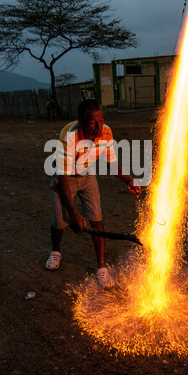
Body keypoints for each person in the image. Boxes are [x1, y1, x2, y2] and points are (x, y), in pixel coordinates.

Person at [45, 99, 141, 288]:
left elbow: (111, 162)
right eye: (92, 121)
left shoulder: (106, 131)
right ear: (81, 122)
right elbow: (63, 179)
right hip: (63, 178)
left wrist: (128, 180)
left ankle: (101, 267)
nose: (98, 125)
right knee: (60, 221)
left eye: (101, 119)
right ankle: (55, 251)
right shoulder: (69, 136)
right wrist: (73, 213)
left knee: (96, 218)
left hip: (87, 174)